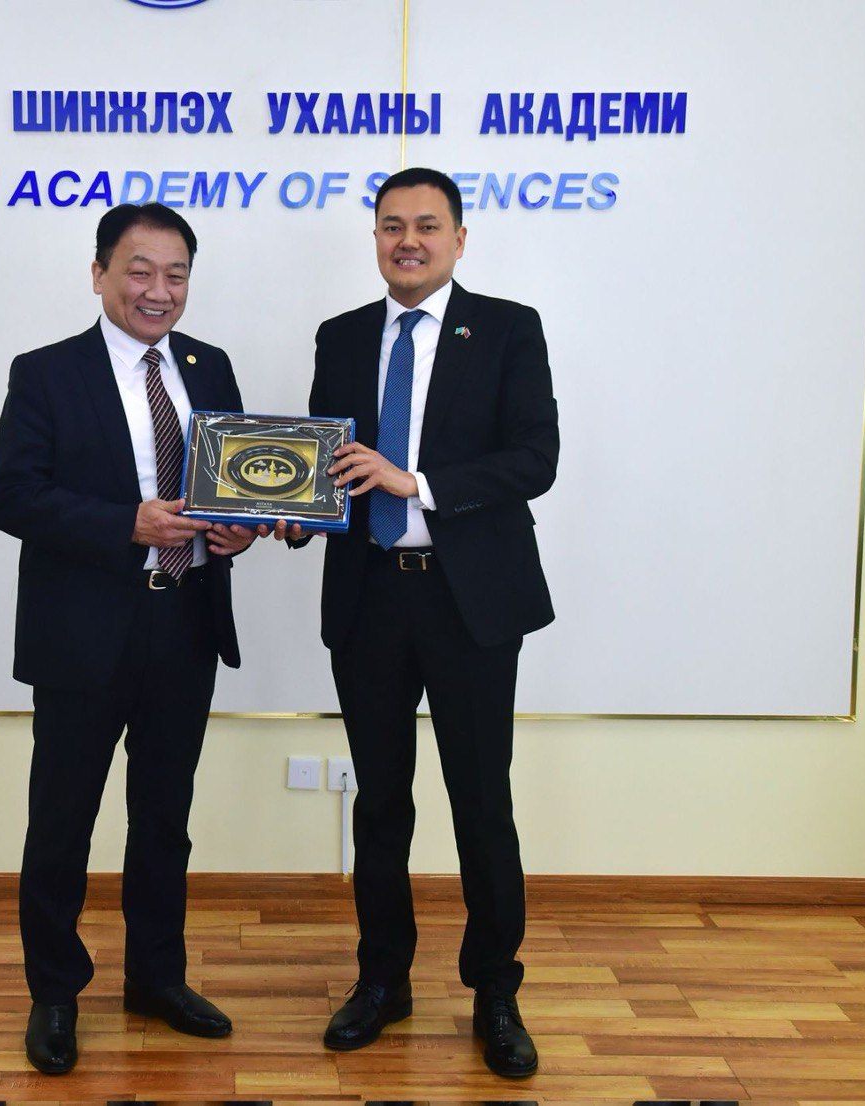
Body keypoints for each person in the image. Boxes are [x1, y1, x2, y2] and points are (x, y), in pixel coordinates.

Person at [272, 167, 558, 1078]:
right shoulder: (343, 335)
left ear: (459, 239)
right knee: (381, 803)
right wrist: (295, 513)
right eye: (392, 225)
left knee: (482, 801)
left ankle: (496, 992)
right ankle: (382, 980)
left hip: (470, 600)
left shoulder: (508, 328)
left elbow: (536, 459)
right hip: (370, 597)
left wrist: (418, 483)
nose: (409, 241)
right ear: (376, 239)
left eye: (427, 225)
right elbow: (326, 465)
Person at [0, 202, 256, 1075]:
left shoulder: (210, 367)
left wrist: (240, 531)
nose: (158, 290)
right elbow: (10, 496)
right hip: (83, 630)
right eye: (140, 271)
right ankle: (55, 993)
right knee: (62, 820)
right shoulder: (46, 372)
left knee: (164, 817)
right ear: (99, 273)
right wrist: (126, 524)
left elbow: (235, 491)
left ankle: (157, 979)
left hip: (185, 622)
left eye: (176, 274)